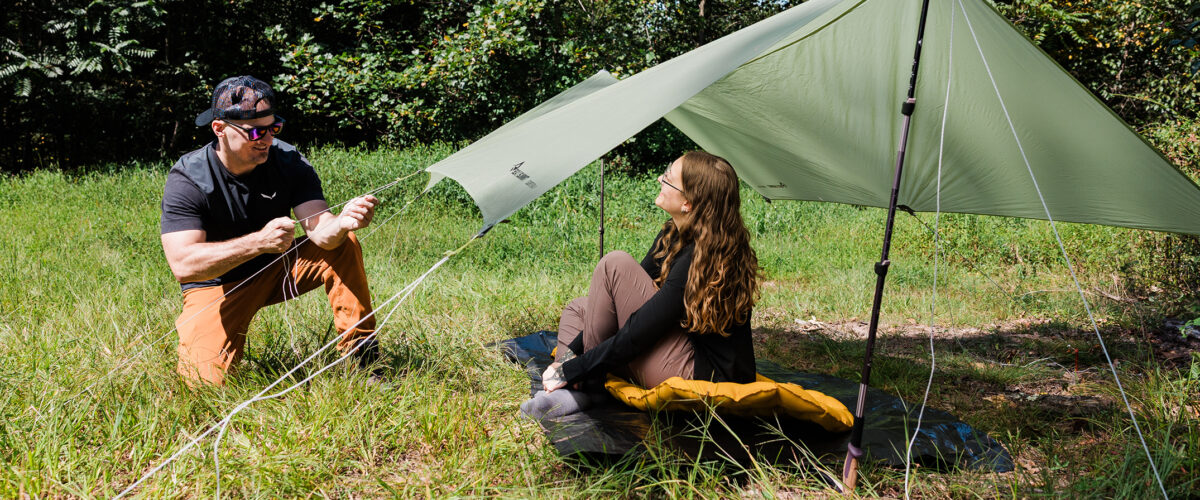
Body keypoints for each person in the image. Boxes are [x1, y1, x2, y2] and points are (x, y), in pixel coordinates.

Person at [160, 75, 380, 386]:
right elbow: (183, 265)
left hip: (279, 268)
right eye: (254, 131)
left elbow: (320, 233)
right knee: (203, 385)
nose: (266, 139)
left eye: (273, 128)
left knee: (343, 243)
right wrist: (259, 242)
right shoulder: (189, 177)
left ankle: (364, 361)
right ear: (219, 129)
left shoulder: (288, 160)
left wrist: (342, 223)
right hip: (217, 286)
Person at [532, 151, 760, 414]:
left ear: (688, 202)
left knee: (613, 264)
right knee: (578, 309)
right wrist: (569, 357)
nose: (660, 179)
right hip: (677, 352)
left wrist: (573, 369)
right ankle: (572, 384)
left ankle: (586, 387)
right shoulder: (673, 233)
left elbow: (638, 330)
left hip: (702, 377)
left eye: (669, 178)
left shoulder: (701, 255)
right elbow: (626, 306)